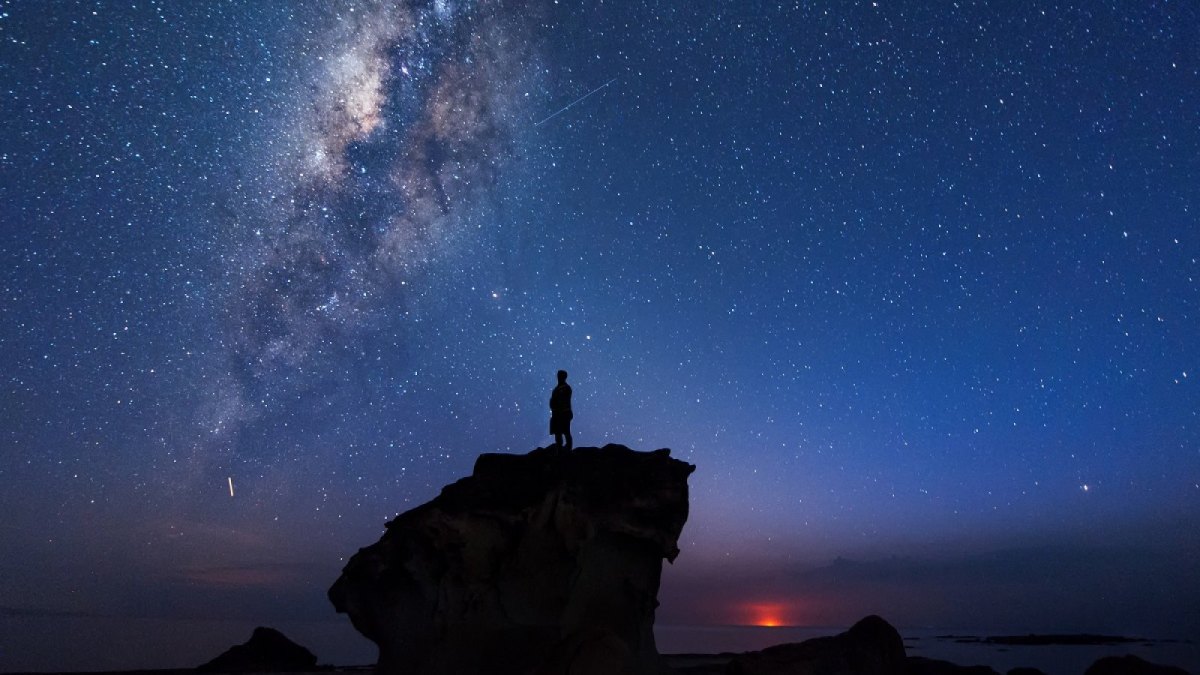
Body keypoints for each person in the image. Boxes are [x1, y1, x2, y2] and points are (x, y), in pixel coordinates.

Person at [549, 369, 573, 450]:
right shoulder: (556, 389)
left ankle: (568, 449)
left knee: (566, 431)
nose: (558, 377)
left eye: (560, 376)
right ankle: (559, 449)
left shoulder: (566, 388)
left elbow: (563, 400)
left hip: (564, 412)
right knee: (558, 433)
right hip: (557, 413)